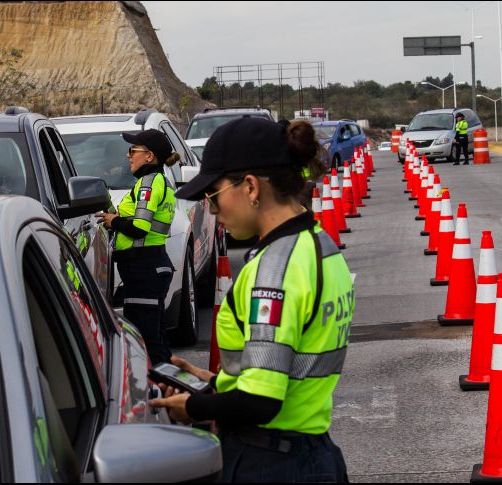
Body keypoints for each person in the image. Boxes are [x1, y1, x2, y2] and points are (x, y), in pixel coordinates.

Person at [150, 117, 354, 483]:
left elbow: (261, 402)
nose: (212, 210)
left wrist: (193, 406)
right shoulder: (320, 245)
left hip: (271, 463)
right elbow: (289, 366)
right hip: (311, 454)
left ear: (250, 187)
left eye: (213, 196)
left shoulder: (274, 271)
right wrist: (218, 384)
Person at [96, 129, 180, 365]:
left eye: (133, 150)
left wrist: (115, 221)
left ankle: (160, 394)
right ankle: (165, 391)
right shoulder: (156, 181)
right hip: (148, 267)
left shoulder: (149, 183)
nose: (128, 155)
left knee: (147, 343)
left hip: (144, 269)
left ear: (149, 156)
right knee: (155, 338)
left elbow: (140, 227)